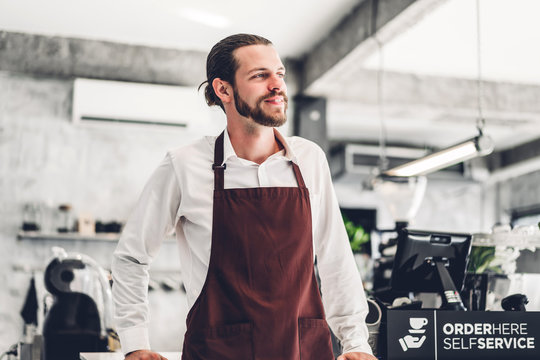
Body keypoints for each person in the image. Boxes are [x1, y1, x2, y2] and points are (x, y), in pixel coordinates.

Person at [112, 33, 376, 360]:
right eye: (259, 75)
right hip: (218, 352)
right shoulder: (185, 164)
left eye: (279, 73)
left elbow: (335, 256)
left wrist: (356, 343)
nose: (276, 84)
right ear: (223, 89)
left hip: (301, 350)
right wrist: (135, 342)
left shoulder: (309, 159)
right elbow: (132, 256)